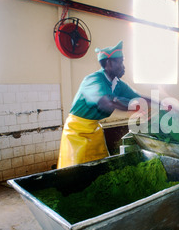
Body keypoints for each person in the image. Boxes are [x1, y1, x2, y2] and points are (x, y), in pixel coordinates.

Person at [57, 41, 149, 169]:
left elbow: (139, 97)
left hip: (95, 130)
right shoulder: (93, 80)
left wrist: (163, 104)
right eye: (120, 62)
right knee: (76, 172)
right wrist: (132, 108)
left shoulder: (117, 84)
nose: (123, 66)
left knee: (100, 167)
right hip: (77, 132)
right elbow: (105, 102)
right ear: (108, 63)